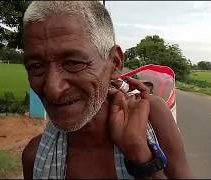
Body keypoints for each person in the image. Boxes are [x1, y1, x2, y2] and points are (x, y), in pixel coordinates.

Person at [22, 1, 192, 179]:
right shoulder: (35, 160)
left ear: (115, 63)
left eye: (73, 63)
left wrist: (141, 156)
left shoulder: (152, 116)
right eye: (36, 67)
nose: (52, 89)